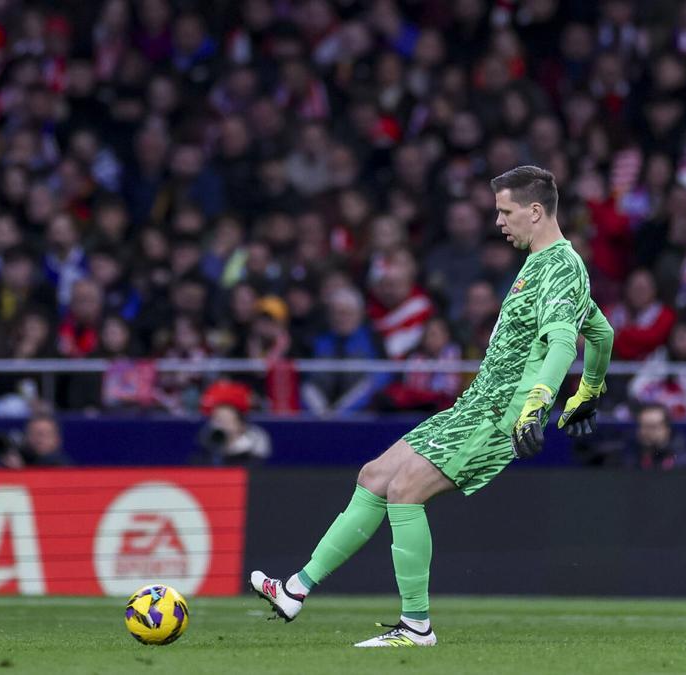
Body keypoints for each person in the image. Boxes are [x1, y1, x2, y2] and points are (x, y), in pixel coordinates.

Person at [251, 166, 615, 647]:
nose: (500, 222)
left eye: (505, 212)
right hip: (474, 405)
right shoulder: (542, 265)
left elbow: (565, 339)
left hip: (498, 415)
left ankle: (416, 626)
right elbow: (602, 332)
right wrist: (589, 390)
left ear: (534, 210)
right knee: (374, 475)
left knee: (404, 491)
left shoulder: (562, 267)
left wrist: (538, 403)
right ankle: (295, 590)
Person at [628, 404, 686, 470]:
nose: (646, 432)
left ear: (667, 429)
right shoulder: (630, 458)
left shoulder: (685, 461)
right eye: (642, 426)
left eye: (652, 426)